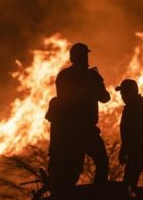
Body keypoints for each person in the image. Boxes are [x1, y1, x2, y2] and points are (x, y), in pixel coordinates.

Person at [46, 42, 110, 188]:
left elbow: (62, 98)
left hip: (67, 131)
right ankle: (99, 193)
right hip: (85, 129)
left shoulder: (64, 76)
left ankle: (65, 195)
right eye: (85, 55)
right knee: (102, 161)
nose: (86, 58)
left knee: (73, 168)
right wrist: (97, 81)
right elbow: (105, 98)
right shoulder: (90, 76)